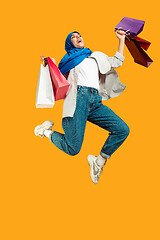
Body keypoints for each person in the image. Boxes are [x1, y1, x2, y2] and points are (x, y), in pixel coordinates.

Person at [35, 30, 130, 184]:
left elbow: (117, 61)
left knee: (122, 129)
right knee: (73, 149)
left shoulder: (96, 56)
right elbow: (56, 78)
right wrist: (47, 64)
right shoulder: (67, 61)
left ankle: (98, 162)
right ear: (69, 44)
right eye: (73, 37)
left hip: (95, 101)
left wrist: (121, 40)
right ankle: (45, 131)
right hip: (78, 99)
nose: (78, 37)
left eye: (78, 35)